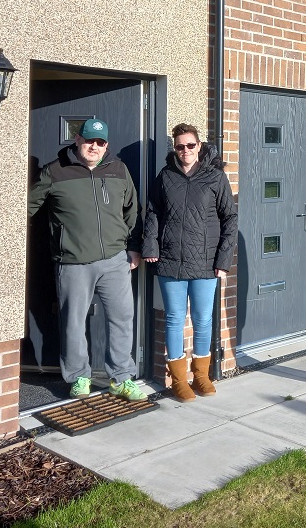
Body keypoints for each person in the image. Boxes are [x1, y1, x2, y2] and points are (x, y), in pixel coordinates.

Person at [27, 118, 146, 402]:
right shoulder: (54, 172)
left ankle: (121, 378)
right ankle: (79, 377)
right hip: (73, 262)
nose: (94, 146)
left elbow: (132, 210)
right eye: (89, 140)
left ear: (107, 146)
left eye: (100, 142)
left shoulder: (118, 170)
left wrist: (134, 246)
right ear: (77, 140)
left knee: (121, 318)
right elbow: (28, 208)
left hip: (115, 260)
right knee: (73, 321)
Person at [143, 123, 237, 401]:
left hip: (206, 262)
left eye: (190, 145)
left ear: (199, 146)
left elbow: (229, 218)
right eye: (180, 146)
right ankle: (178, 380)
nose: (185, 151)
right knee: (173, 318)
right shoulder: (165, 177)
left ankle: (201, 375)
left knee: (202, 319)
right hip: (170, 260)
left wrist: (223, 259)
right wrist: (150, 245)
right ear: (175, 148)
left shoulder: (215, 177)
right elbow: (152, 212)